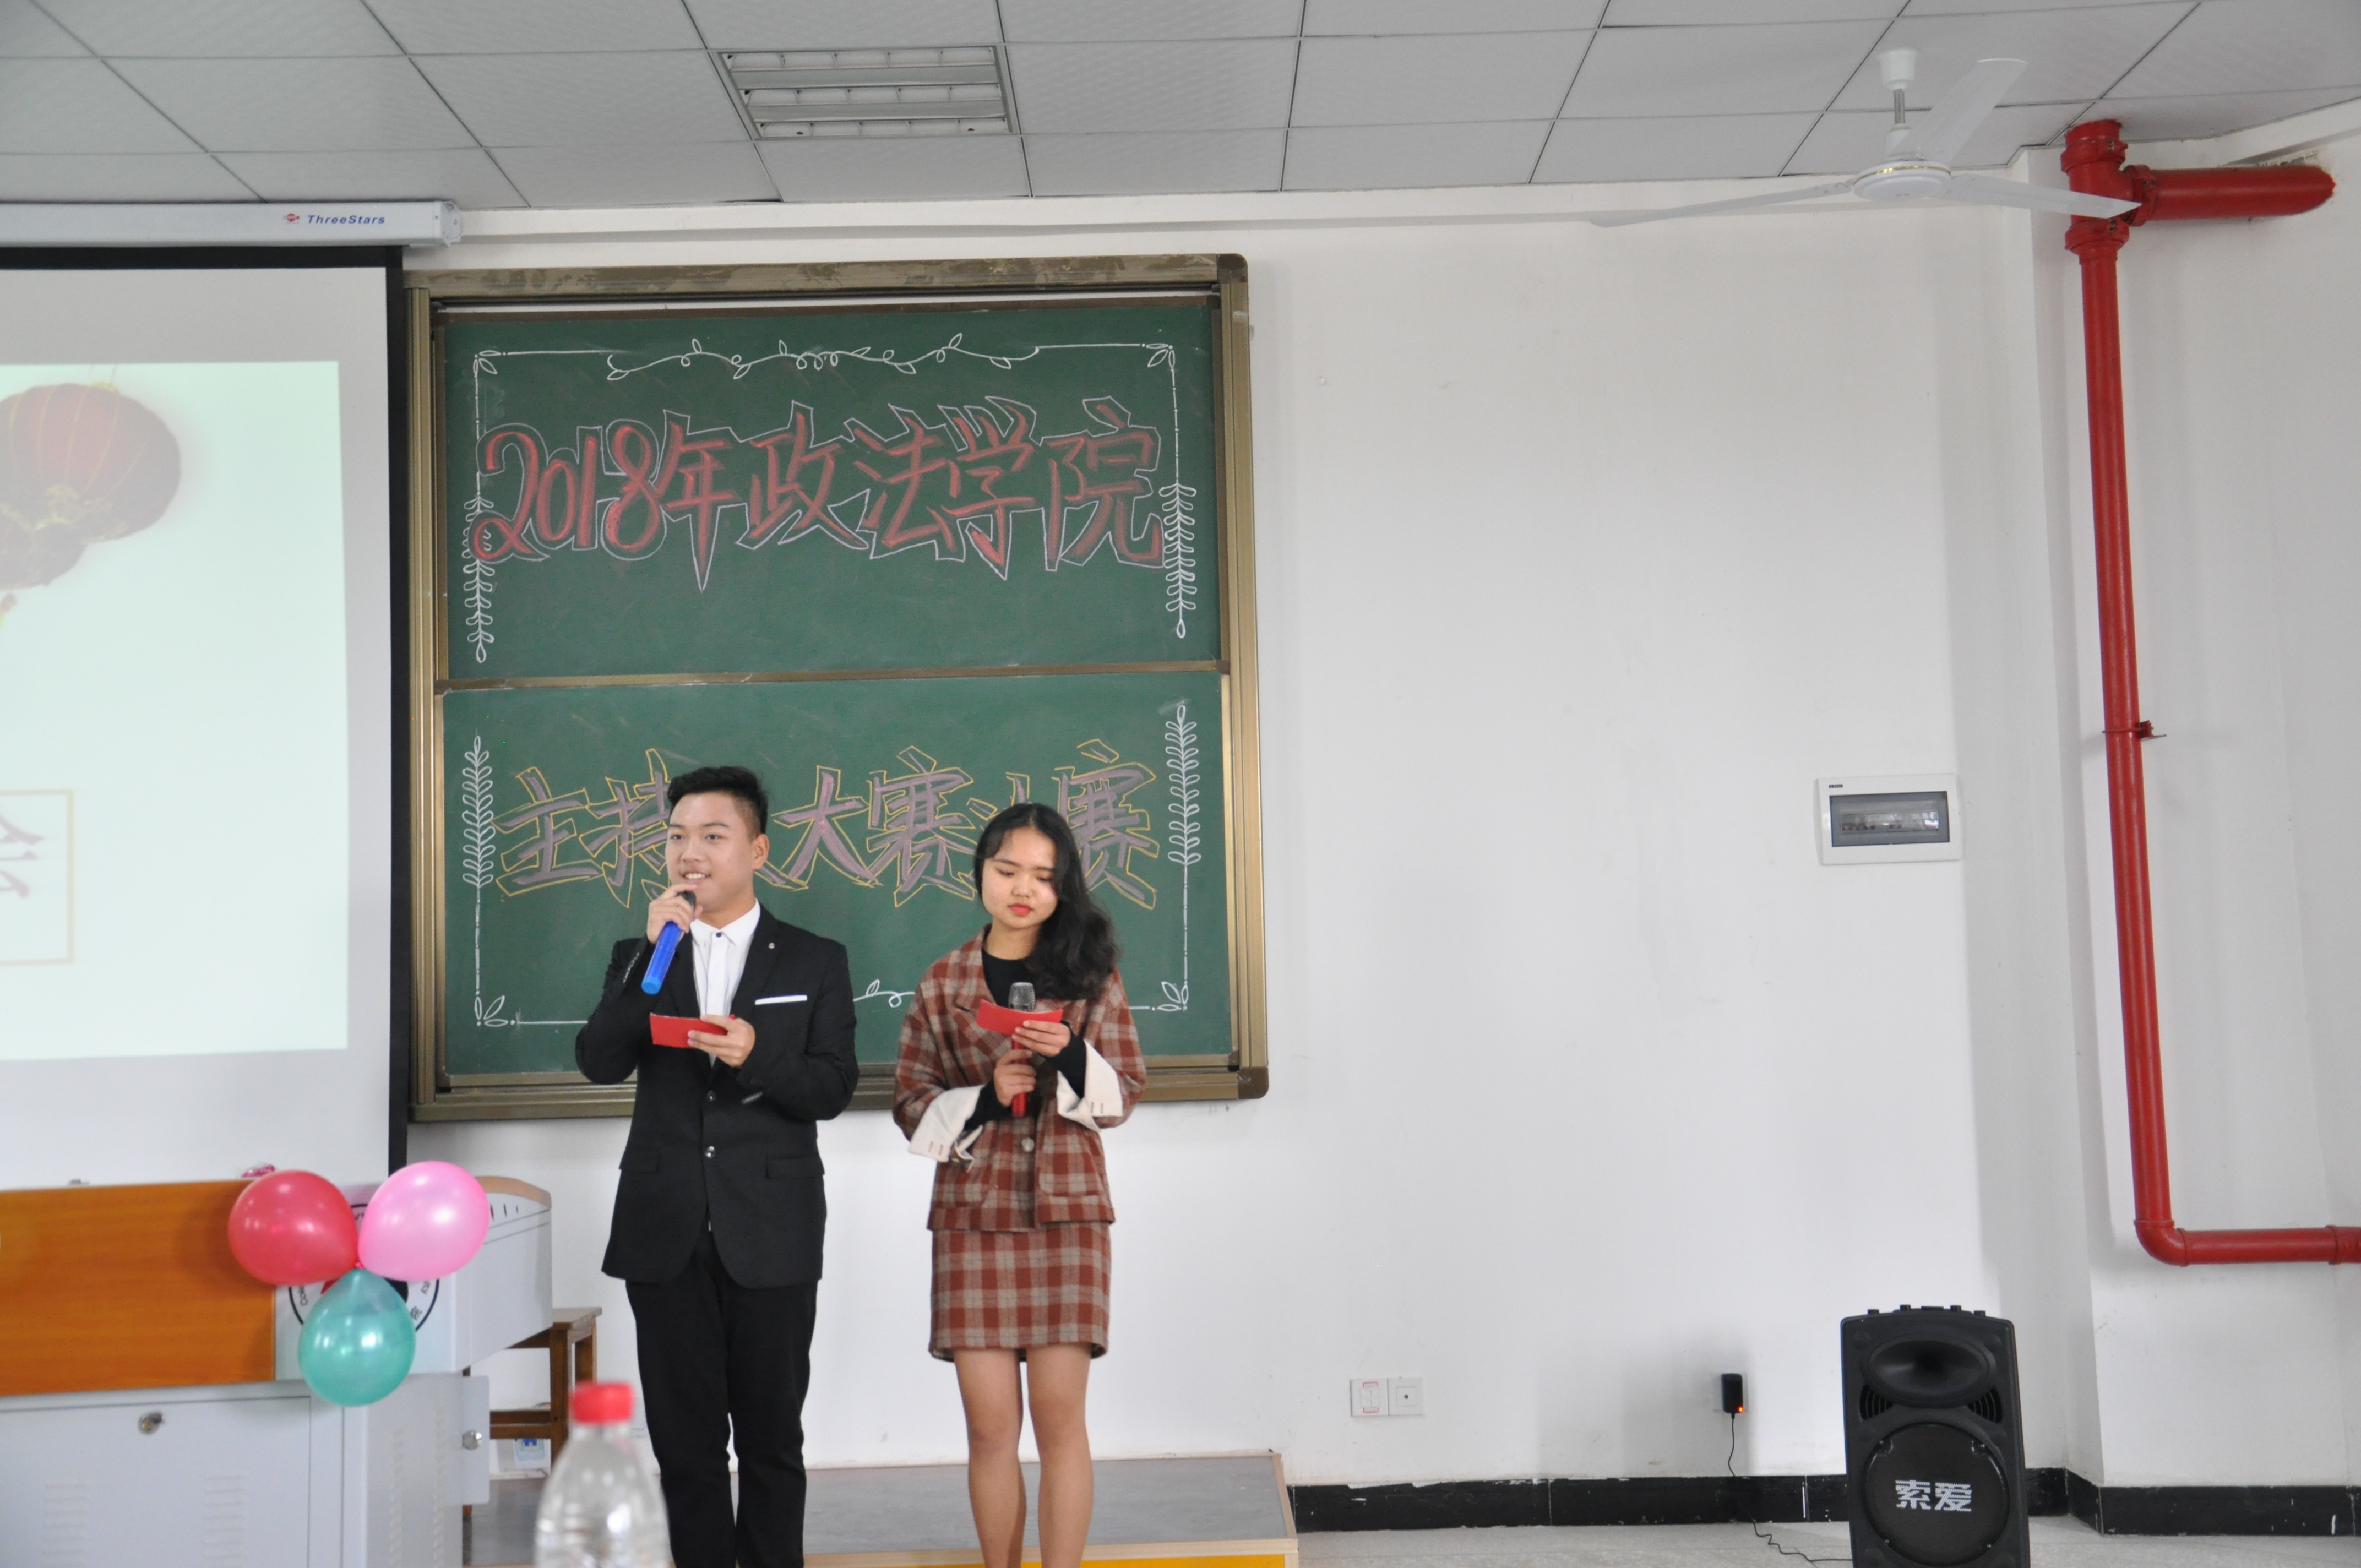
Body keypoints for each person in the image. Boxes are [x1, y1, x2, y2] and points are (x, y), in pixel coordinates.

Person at [577, 764, 859, 1568]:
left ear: (758, 850)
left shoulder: (814, 959)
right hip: (665, 1229)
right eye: (676, 837)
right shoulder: (641, 956)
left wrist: (755, 1053)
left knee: (772, 1440)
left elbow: (832, 1088)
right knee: (684, 1445)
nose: (689, 853)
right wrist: (650, 958)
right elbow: (599, 1061)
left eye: (711, 835)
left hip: (771, 1228)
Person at [892, 803, 1146, 1568]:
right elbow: (910, 1104)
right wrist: (985, 1096)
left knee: (1061, 1425)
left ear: (1064, 886)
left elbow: (1124, 1095)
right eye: (1008, 871)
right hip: (974, 1217)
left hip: (1068, 1214)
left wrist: (1067, 1051)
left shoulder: (1091, 976)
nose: (1023, 889)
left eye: (1043, 875)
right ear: (980, 874)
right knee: (990, 1429)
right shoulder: (943, 981)